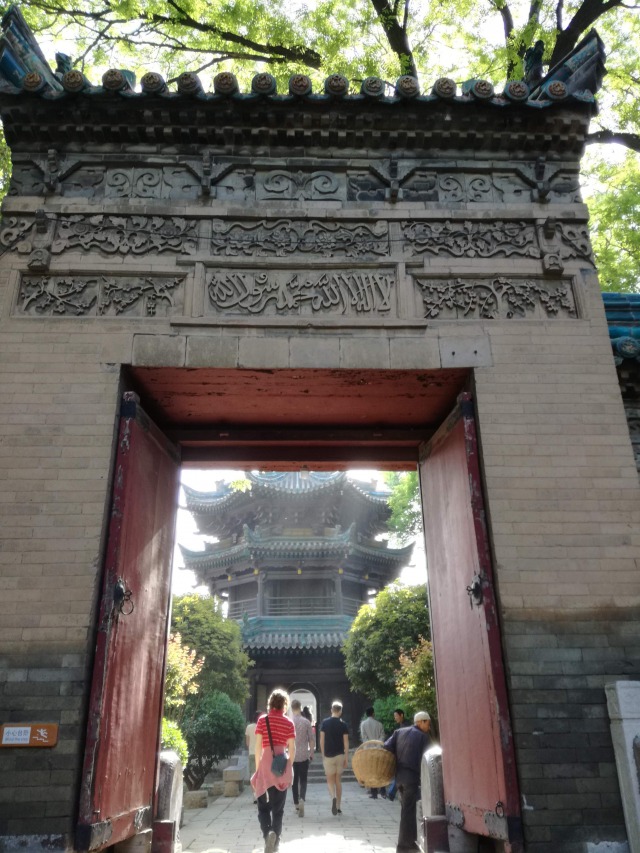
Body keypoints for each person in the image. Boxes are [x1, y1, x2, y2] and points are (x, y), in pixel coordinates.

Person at [251, 689, 296, 853]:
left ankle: (267, 834)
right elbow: (292, 748)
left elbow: (257, 747)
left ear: (270, 703)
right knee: (278, 810)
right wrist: (288, 765)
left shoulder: (262, 720)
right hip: (280, 765)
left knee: (263, 808)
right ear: (285, 705)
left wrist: (258, 769)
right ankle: (275, 843)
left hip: (265, 765)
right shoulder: (288, 723)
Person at [383, 710, 432, 853]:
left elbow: (386, 746)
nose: (429, 727)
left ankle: (410, 842)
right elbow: (427, 760)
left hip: (399, 778)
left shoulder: (399, 732)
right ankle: (403, 845)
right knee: (408, 812)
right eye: (428, 723)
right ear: (421, 722)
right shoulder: (423, 737)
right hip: (411, 778)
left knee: (408, 810)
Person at [319, 700, 350, 816]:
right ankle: (338, 806)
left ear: (331, 710)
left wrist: (323, 754)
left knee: (330, 780)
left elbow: (321, 740)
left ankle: (333, 797)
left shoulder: (325, 723)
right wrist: (346, 757)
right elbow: (346, 742)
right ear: (340, 711)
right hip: (340, 755)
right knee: (338, 781)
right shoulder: (343, 724)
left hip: (328, 755)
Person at [290, 699, 315, 817]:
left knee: (294, 781)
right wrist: (311, 752)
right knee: (303, 780)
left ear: (291, 708)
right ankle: (302, 799)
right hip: (304, 755)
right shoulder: (306, 722)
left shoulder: (289, 722)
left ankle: (296, 804)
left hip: (292, 756)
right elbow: (311, 739)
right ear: (300, 708)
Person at [359, 707, 386, 799]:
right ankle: (383, 791)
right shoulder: (379, 724)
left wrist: (369, 746)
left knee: (371, 771)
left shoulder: (363, 724)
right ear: (373, 713)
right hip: (379, 750)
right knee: (381, 770)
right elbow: (382, 736)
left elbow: (364, 737)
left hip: (368, 750)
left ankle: (374, 793)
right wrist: (378, 745)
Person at [387, 708, 410, 802]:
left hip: (405, 754)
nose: (395, 718)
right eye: (394, 716)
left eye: (396, 716)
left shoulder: (406, 726)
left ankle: (392, 792)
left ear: (402, 715)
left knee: (400, 774)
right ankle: (392, 792)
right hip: (402, 754)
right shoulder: (401, 726)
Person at [246, 710, 262, 777]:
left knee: (253, 774)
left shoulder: (249, 727)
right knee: (261, 774)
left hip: (252, 753)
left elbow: (247, 743)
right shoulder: (263, 727)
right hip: (261, 754)